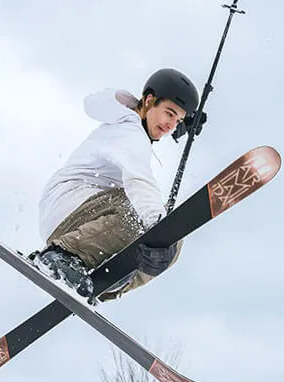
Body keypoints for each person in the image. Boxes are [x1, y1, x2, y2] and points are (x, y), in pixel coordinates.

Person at [33, 68, 201, 302]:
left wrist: (164, 238)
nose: (171, 125)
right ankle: (61, 257)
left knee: (171, 244)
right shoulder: (130, 131)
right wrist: (160, 227)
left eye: (179, 120)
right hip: (70, 204)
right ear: (150, 100)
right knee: (142, 216)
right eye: (169, 113)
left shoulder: (130, 129)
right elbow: (138, 181)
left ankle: (104, 284)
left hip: (79, 217)